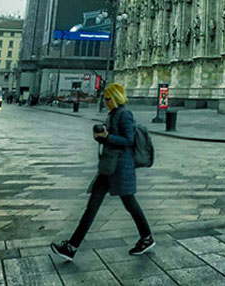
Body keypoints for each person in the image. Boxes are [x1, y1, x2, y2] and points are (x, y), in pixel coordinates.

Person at [51, 83, 153, 260]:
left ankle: (146, 237)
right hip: (109, 167)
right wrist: (102, 138)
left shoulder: (125, 114)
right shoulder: (114, 113)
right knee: (92, 207)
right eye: (104, 99)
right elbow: (115, 138)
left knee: (130, 204)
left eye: (107, 99)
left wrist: (107, 137)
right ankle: (72, 247)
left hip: (120, 168)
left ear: (115, 98)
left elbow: (128, 140)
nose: (105, 102)